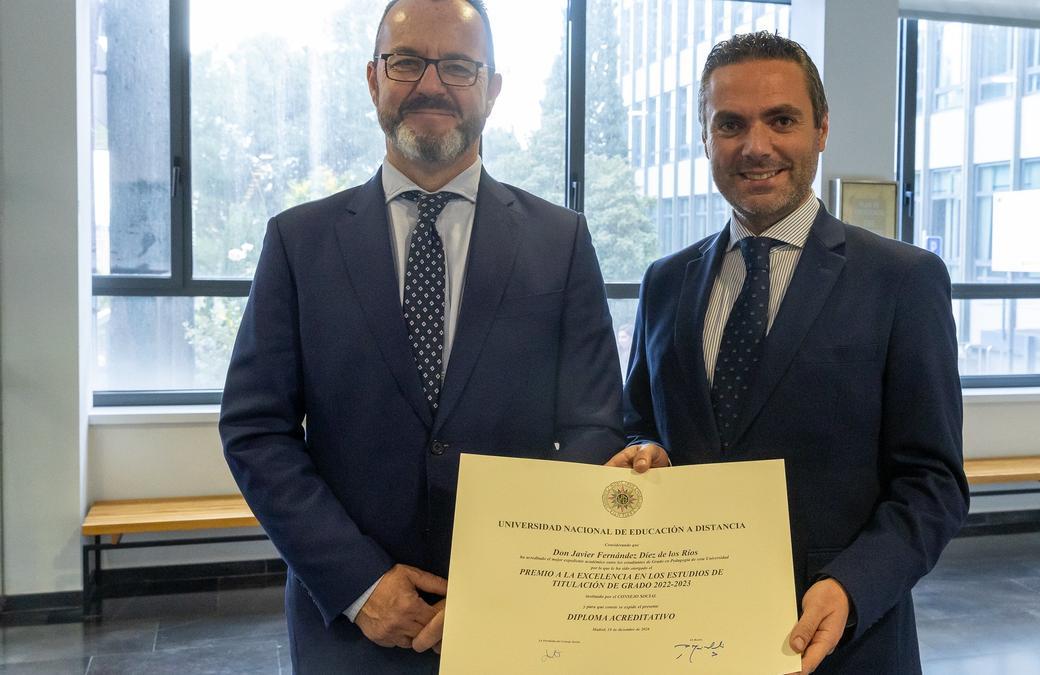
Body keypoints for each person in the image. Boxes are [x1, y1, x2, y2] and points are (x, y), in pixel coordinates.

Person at [219, 0, 623, 671]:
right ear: (374, 78)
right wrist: (359, 583)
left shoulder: (561, 243)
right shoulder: (299, 242)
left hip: (518, 623)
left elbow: (595, 425)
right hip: (349, 628)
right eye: (407, 62)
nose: (432, 84)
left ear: (492, 89)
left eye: (460, 66)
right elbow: (256, 429)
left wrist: (511, 575)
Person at [609, 32, 969, 674]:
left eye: (781, 120)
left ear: (821, 129)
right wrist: (643, 448)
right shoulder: (665, 283)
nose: (756, 146)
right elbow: (639, 420)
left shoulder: (901, 281)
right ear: (705, 137)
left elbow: (933, 482)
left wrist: (853, 587)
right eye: (730, 124)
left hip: (840, 641)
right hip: (681, 633)